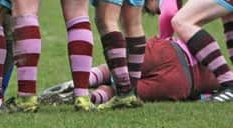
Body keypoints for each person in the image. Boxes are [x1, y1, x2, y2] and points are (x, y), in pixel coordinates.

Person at [40, 36, 219, 105]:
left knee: (118, 70)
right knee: (125, 92)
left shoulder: (213, 49)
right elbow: (208, 97)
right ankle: (90, 97)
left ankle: (78, 84)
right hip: (182, 84)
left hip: (171, 51)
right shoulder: (223, 78)